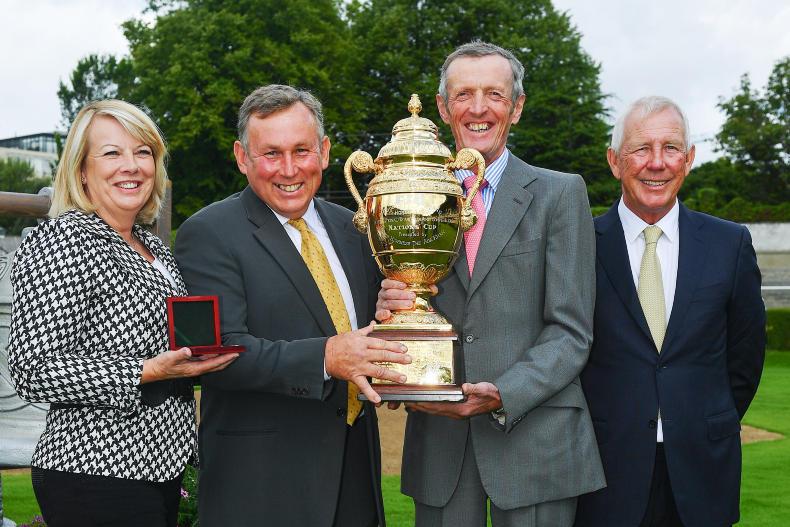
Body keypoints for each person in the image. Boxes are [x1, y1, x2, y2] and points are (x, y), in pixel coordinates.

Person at [376, 41, 605, 526]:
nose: (478, 109)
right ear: (443, 108)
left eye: (494, 95)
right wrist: (393, 313)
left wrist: (504, 391)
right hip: (440, 448)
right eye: (463, 94)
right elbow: (401, 304)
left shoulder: (561, 194)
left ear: (516, 107)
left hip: (535, 440)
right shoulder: (407, 194)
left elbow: (571, 331)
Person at [175, 84, 411, 527]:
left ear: (324, 151)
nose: (289, 169)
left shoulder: (355, 228)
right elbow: (212, 353)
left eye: (301, 150)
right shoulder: (206, 233)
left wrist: (391, 318)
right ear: (242, 157)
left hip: (356, 474)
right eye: (271, 153)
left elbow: (361, 330)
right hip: (264, 486)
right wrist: (325, 356)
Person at [7, 99, 237, 527]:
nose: (131, 166)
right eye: (112, 153)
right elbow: (32, 369)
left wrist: (200, 357)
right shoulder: (65, 239)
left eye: (142, 152)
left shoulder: (153, 247)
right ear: (81, 170)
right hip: (94, 469)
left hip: (158, 467)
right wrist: (146, 371)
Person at [574, 96, 766, 527]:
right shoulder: (578, 243)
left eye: (671, 148)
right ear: (614, 161)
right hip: (604, 473)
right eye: (641, 148)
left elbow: (745, 359)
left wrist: (702, 417)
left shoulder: (730, 243)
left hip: (703, 470)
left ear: (689, 159)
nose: (657, 163)